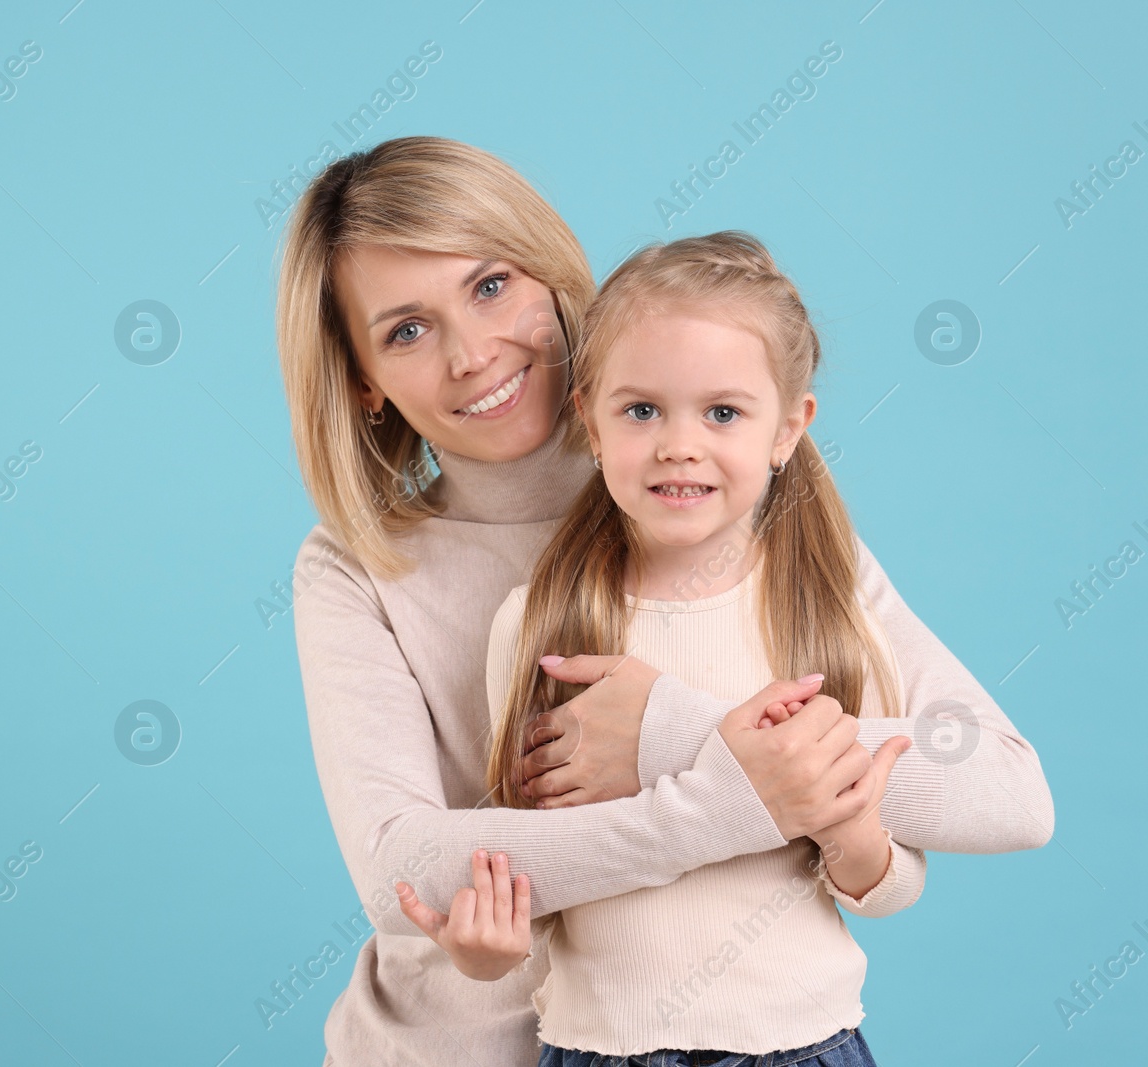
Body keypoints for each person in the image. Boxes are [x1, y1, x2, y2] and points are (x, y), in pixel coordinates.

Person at [276, 136, 1052, 1067]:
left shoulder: (735, 505)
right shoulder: (356, 568)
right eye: (407, 329)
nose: (474, 353)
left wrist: (674, 731)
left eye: (491, 286)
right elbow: (403, 865)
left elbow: (1003, 788)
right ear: (363, 380)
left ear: (553, 275)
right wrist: (726, 804)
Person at [398, 231, 992, 1065]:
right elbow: (537, 870)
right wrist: (489, 948)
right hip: (602, 1047)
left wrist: (854, 834)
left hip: (803, 1043)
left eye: (723, 412)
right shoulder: (542, 626)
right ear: (592, 424)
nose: (680, 443)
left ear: (788, 429)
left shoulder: (825, 612)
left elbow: (888, 883)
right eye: (642, 410)